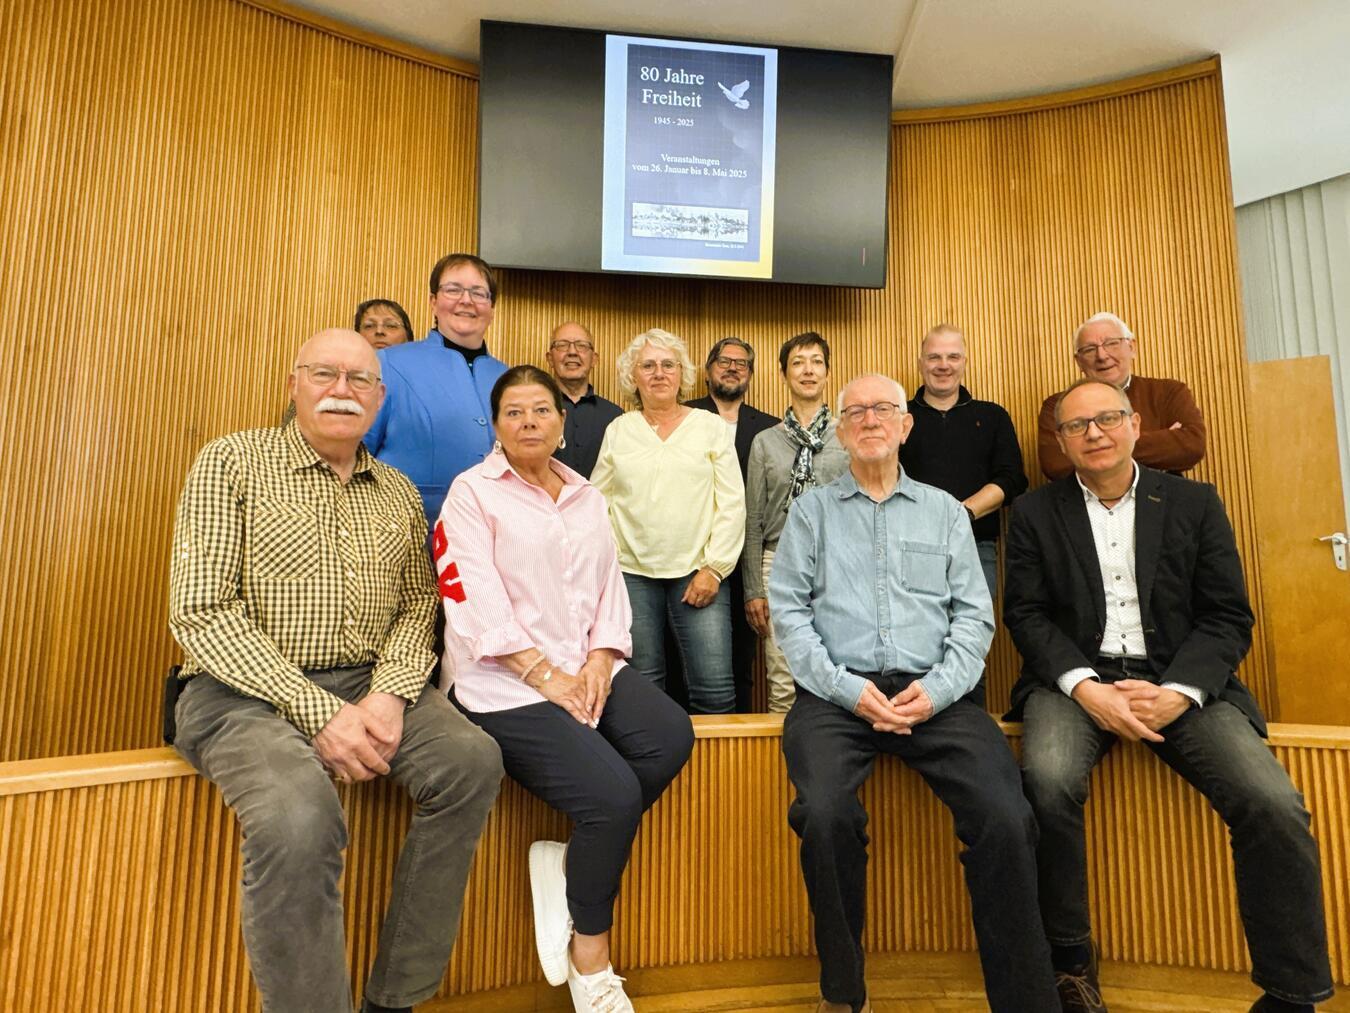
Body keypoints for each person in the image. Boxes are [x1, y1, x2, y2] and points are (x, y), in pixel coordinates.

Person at [168, 328, 504, 1013]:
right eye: (326, 373)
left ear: (380, 399)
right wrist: (319, 713)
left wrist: (388, 693)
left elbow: (419, 606)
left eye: (360, 380)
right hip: (238, 693)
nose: (342, 390)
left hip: (366, 683)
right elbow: (201, 611)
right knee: (298, 815)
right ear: (295, 382)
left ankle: (394, 997)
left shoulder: (399, 491)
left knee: (473, 761)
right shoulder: (231, 461)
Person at [1005, 377, 1333, 1013]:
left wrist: (1180, 690)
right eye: (1077, 426)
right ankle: (1071, 964)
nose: (1093, 433)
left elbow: (1227, 615)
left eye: (1106, 419)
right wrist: (1087, 689)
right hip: (1074, 682)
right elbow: (1027, 615)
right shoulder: (1037, 514)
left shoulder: (1194, 502)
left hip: (1180, 680)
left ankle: (1292, 993)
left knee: (1274, 804)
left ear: (1133, 426)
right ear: (1063, 443)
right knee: (1044, 781)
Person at [769, 374, 1059, 1013]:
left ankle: (1026, 1001)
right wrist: (847, 690)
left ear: (906, 426)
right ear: (841, 432)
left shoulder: (945, 512)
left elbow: (974, 618)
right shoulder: (812, 511)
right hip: (835, 698)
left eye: (884, 410)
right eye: (856, 412)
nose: (870, 419)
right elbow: (789, 613)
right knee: (823, 815)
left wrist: (936, 691)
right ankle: (844, 995)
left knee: (1008, 817)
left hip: (939, 697)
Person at [435, 365, 694, 1013]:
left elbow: (609, 589)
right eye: (514, 412)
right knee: (611, 795)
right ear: (496, 426)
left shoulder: (585, 494)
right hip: (502, 683)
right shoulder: (472, 494)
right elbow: (472, 604)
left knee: (668, 738)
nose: (529, 422)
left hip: (585, 663)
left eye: (541, 410)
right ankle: (592, 957)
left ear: (562, 420)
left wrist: (604, 659)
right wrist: (547, 677)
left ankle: (567, 860)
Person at [591, 328, 745, 714]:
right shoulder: (619, 431)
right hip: (631, 575)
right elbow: (596, 504)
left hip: (700, 570)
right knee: (644, 688)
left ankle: (716, 775)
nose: (659, 373)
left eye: (668, 365)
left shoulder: (710, 427)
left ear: (682, 374)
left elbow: (732, 502)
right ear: (633, 376)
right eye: (648, 365)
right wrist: (607, 567)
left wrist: (715, 568)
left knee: (714, 690)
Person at [743, 332, 850, 712]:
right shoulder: (765, 441)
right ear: (783, 374)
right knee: (783, 676)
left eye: (816, 361)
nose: (808, 370)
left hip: (838, 563)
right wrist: (754, 589)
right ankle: (779, 768)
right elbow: (753, 519)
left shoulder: (850, 434)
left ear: (828, 371)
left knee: (839, 668)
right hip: (779, 561)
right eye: (798, 362)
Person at [365, 253, 509, 527]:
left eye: (479, 293)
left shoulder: (509, 378)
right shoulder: (389, 364)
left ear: (491, 308)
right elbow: (358, 453)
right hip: (408, 536)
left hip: (492, 537)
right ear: (433, 301)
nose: (466, 300)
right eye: (453, 289)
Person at [899, 324, 1027, 598]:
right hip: (908, 548)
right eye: (934, 357)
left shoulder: (993, 416)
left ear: (964, 362)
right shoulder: (898, 418)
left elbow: (1012, 478)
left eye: (953, 357)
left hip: (975, 547)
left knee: (972, 636)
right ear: (921, 363)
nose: (943, 365)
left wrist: (962, 514)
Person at [686, 336, 779, 711]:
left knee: (742, 653)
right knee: (689, 655)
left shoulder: (770, 429)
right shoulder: (684, 416)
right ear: (708, 370)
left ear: (751, 375)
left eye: (741, 364)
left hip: (747, 556)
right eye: (723, 361)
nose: (732, 368)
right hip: (691, 554)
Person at [1037, 311, 1206, 480]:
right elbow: (1056, 465)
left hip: (1164, 501)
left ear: (1131, 347)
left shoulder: (1169, 392)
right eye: (1089, 349)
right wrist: (1162, 441)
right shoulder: (1059, 405)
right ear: (1079, 361)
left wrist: (1090, 449)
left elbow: (1192, 446)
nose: (1102, 356)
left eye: (1111, 343)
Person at [546, 321, 623, 478]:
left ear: (594, 359)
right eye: (562, 345)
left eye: (581, 345)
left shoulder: (616, 418)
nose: (572, 352)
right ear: (549, 358)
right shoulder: (533, 413)